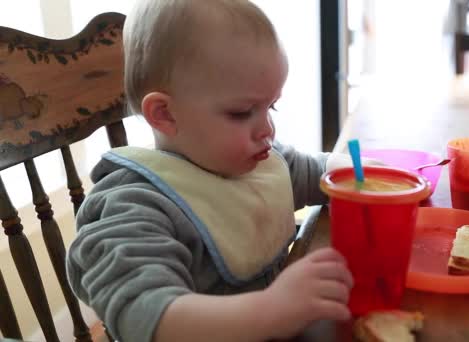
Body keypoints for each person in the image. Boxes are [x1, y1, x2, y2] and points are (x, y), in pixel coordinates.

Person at [66, 1, 369, 341]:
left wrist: (359, 173)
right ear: (165, 114)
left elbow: (304, 170)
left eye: (271, 106)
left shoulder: (248, 158)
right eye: (241, 113)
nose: (267, 129)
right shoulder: (132, 208)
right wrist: (269, 310)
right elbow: (144, 315)